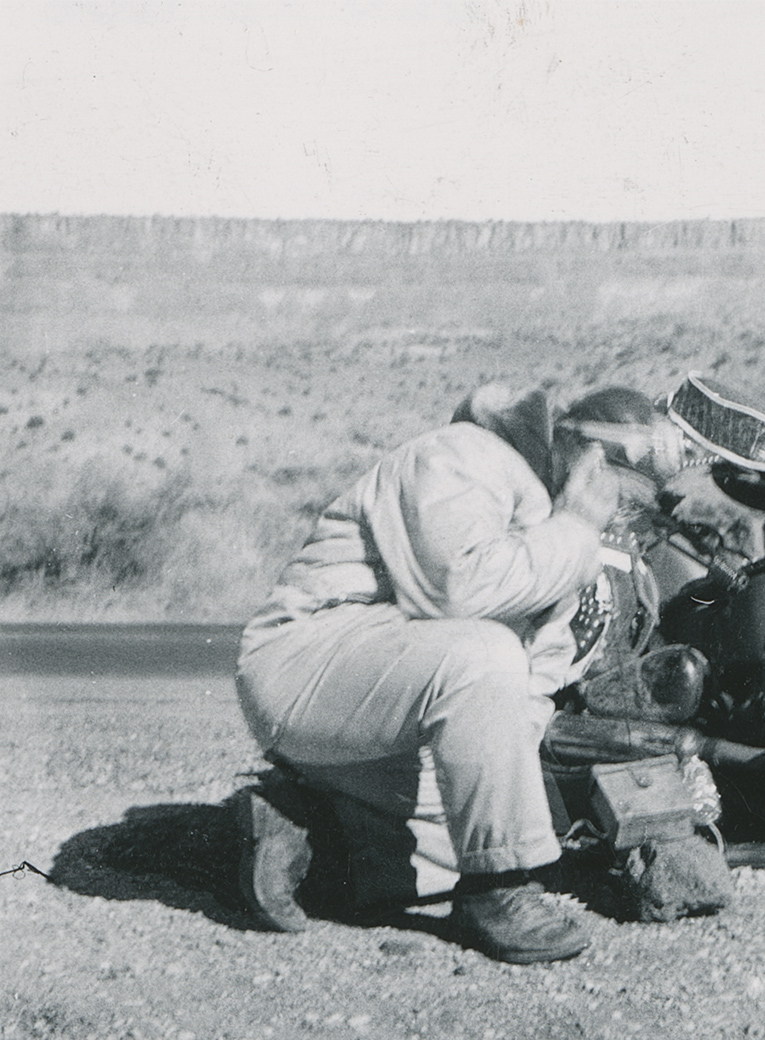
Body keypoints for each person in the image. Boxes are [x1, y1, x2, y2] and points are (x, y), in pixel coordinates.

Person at [233, 383, 666, 963]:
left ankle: (305, 833)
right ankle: (497, 892)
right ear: (589, 461)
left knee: (485, 821)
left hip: (387, 690)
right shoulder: (466, 455)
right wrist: (576, 528)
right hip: (304, 663)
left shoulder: (557, 528)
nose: (619, 516)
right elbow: (459, 589)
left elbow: (534, 681)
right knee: (483, 655)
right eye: (622, 497)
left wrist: (502, 789)